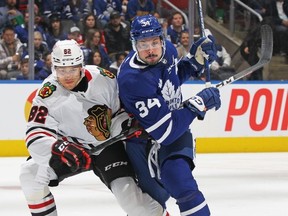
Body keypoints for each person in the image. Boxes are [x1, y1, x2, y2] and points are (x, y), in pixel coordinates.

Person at [19, 39, 166, 216]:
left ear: (82, 65)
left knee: (135, 206)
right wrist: (57, 147)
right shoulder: (47, 93)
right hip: (73, 151)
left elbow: (123, 111)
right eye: (62, 70)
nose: (67, 76)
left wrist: (128, 123)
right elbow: (34, 133)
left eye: (73, 69)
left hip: (108, 148)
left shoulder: (104, 79)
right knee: (29, 174)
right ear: (54, 68)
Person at [117, 15, 221, 216]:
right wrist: (197, 104)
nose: (150, 49)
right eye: (143, 44)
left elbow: (172, 80)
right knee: (152, 204)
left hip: (174, 126)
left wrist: (195, 62)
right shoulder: (132, 79)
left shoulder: (169, 51)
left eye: (155, 42)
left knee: (180, 181)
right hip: (141, 141)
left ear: (162, 40)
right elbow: (165, 133)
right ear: (134, 44)